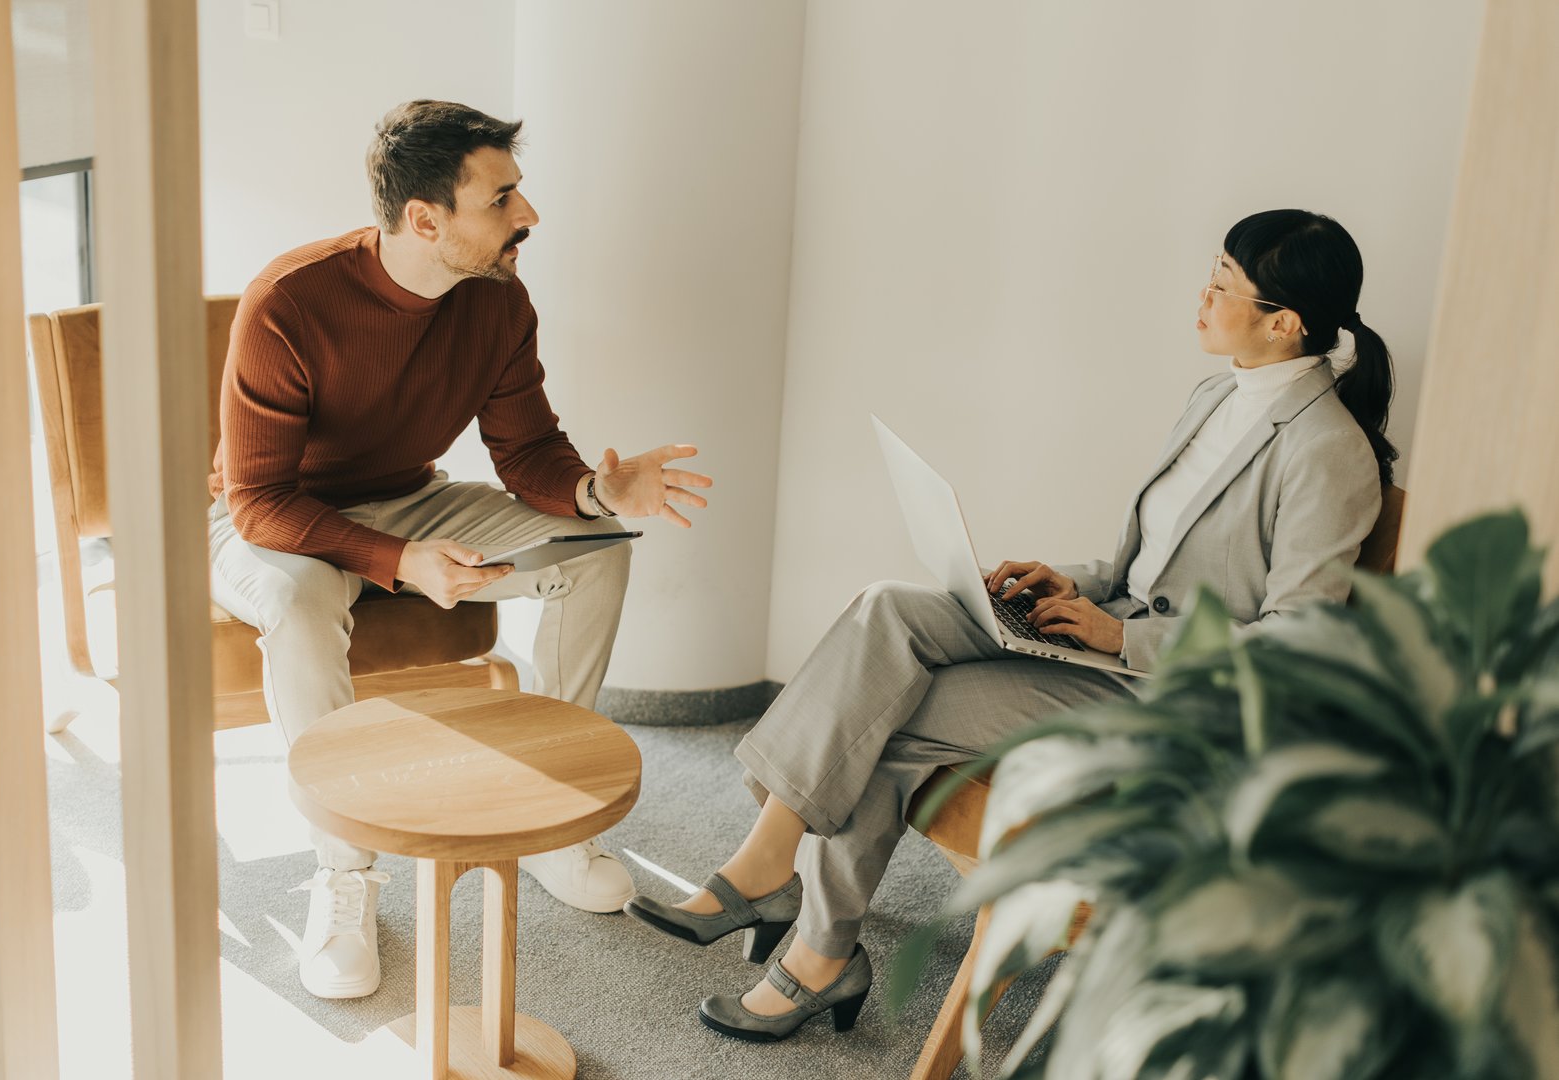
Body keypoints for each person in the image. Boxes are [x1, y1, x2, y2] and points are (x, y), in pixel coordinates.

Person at [626, 209, 1393, 1042]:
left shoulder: (1327, 451)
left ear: (1285, 323)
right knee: (887, 608)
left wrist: (1119, 638)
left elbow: (1298, 646)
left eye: (1222, 284)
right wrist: (1077, 584)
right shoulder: (1217, 394)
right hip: (1109, 640)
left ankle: (815, 946)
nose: (1201, 295)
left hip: (1170, 696)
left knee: (889, 715)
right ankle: (773, 867)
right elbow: (1157, 566)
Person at [207, 100, 712, 999]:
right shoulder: (288, 300)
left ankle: (556, 817)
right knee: (299, 603)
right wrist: (401, 563)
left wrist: (600, 491)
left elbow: (527, 453)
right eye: (504, 197)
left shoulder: (498, 299)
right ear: (427, 219)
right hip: (276, 517)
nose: (529, 216)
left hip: (410, 496)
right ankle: (345, 875)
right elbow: (257, 500)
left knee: (598, 547)